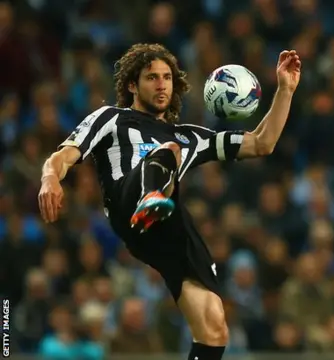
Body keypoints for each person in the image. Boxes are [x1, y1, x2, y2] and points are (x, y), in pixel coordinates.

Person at [38, 43, 301, 360]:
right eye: (151, 77)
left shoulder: (190, 137)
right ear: (132, 85)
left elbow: (262, 143)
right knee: (167, 152)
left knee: (214, 326)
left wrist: (285, 89)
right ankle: (152, 196)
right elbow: (63, 155)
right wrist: (50, 178)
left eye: (166, 77)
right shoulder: (111, 118)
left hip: (167, 220)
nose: (161, 84)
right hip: (129, 202)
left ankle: (157, 199)